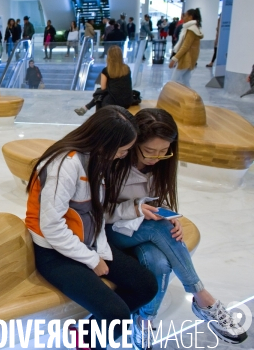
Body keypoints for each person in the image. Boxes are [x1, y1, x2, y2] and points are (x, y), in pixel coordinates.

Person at [105, 108, 248, 348]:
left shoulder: (159, 165)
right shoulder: (114, 162)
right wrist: (137, 210)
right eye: (150, 151)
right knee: (157, 229)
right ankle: (204, 299)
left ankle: (145, 321)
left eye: (163, 152)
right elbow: (96, 212)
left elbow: (156, 199)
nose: (156, 157)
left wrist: (167, 214)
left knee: (158, 261)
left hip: (141, 229)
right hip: (110, 233)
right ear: (133, 141)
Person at [25, 106, 157, 350]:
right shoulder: (63, 165)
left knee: (146, 286)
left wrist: (134, 209)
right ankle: (88, 341)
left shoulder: (96, 160)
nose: (123, 155)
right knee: (116, 315)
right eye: (123, 150)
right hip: (54, 251)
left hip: (87, 241)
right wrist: (92, 260)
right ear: (105, 142)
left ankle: (86, 333)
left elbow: (94, 212)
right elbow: (52, 227)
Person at [75, 45, 133, 116]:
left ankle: (88, 110)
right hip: (127, 100)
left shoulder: (106, 70)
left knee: (100, 95)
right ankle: (86, 108)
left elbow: (103, 88)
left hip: (113, 101)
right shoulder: (127, 68)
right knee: (101, 93)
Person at [169, 8, 203, 87]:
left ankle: (173, 98)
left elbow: (185, 46)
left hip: (186, 59)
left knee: (173, 82)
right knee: (185, 81)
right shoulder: (193, 28)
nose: (183, 17)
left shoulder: (191, 30)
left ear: (190, 17)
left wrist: (174, 59)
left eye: (185, 16)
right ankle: (191, 99)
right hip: (189, 59)